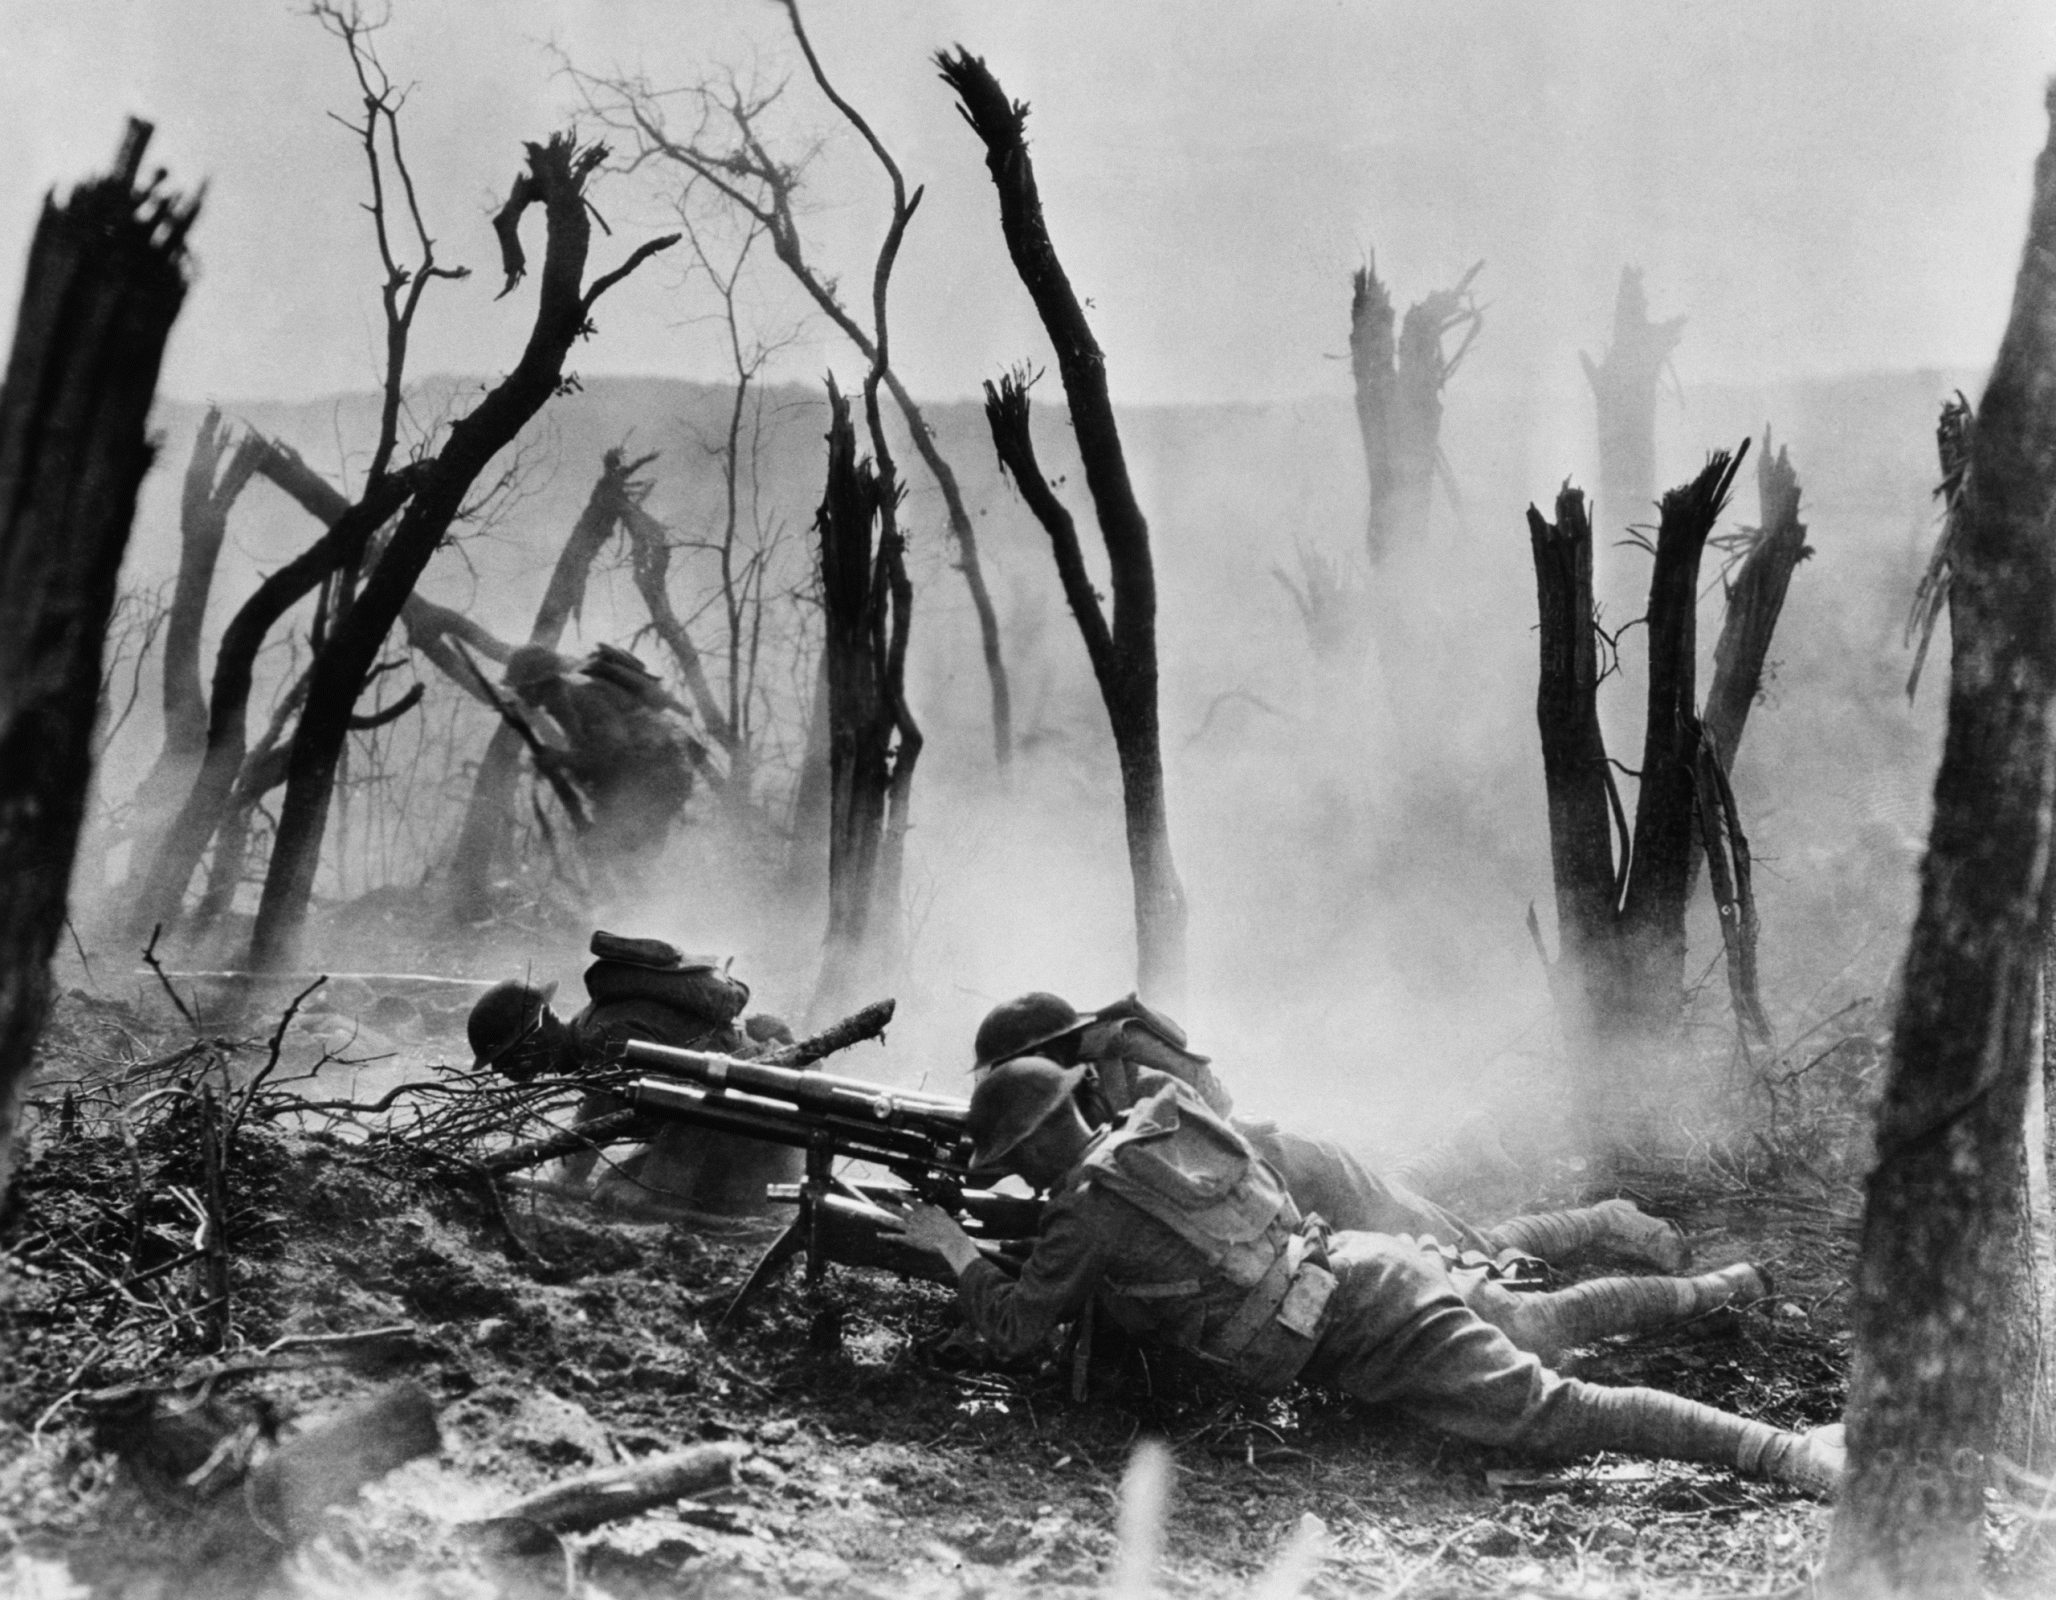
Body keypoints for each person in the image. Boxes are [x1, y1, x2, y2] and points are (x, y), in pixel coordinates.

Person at [893, 1060, 1843, 1495]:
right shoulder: (1155, 1136)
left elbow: (1018, 1331)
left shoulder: (1086, 1211)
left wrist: (953, 1248)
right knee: (1540, 1324)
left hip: (1362, 1319)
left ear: (1030, 1145)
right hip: (1358, 1268)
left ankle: (1789, 1454)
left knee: (1555, 1410)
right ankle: (1724, 1294)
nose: (1016, 1176)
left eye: (1013, 1159)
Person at [971, 991, 1688, 1274]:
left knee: (1469, 1251)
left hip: (1295, 1173)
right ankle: (1470, 1146)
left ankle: (1606, 1218)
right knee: (1412, 1209)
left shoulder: (1119, 1056)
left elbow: (1213, 1106)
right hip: (1277, 1203)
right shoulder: (1068, 1100)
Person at [467, 932, 798, 1216]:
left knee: (638, 1204)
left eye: (508, 1060)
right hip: (737, 1125)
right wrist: (564, 1181)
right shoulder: (593, 1036)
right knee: (613, 1188)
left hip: (764, 1131)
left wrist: (653, 1187)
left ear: (535, 1037)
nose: (508, 1073)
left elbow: (690, 1101)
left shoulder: (606, 1039)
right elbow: (592, 1127)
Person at [504, 643, 698, 874]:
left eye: (522, 688)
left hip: (654, 780)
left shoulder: (581, 697)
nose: (520, 695)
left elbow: (613, 746)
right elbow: (594, 754)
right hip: (649, 780)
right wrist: (551, 764)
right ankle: (640, 905)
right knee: (617, 859)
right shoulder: (564, 702)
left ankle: (649, 906)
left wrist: (560, 759)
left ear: (538, 684)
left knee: (619, 858)